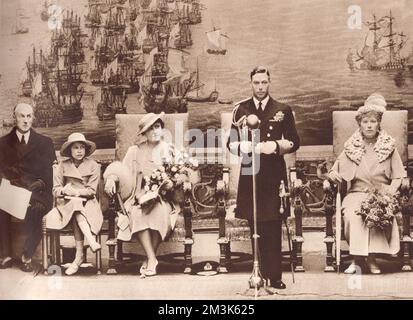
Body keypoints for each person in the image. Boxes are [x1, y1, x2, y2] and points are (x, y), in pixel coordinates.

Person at [227, 66, 300, 289]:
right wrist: (242, 145)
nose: (260, 87)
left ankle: (275, 275)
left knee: (274, 223)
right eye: (256, 83)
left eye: (264, 82)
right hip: (251, 172)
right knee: (255, 223)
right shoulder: (240, 109)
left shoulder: (282, 109)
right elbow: (230, 143)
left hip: (273, 174)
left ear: (269, 83)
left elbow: (295, 141)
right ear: (251, 83)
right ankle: (257, 272)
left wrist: (276, 145)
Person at [328, 93, 405, 274]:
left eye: (373, 121)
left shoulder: (389, 147)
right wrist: (332, 175)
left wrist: (389, 194)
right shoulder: (351, 147)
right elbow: (334, 170)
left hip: (382, 192)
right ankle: (357, 260)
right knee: (354, 214)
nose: (369, 125)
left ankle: (371, 260)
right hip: (356, 193)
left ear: (378, 124)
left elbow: (399, 175)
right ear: (360, 125)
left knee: (377, 210)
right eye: (365, 122)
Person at [103, 112, 178, 277]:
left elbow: (181, 174)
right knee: (137, 213)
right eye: (150, 129)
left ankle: (150, 259)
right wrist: (111, 177)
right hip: (138, 197)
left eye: (157, 127)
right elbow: (121, 171)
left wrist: (172, 183)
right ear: (144, 133)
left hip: (163, 198)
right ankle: (152, 258)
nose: (154, 131)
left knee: (159, 213)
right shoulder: (134, 151)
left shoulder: (169, 150)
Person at [0, 103, 56, 272]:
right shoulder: (2, 143)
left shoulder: (45, 143)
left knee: (39, 209)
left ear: (33, 118)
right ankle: (6, 255)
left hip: (37, 191)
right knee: (0, 206)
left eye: (29, 116)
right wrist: (6, 184)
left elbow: (50, 172)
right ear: (14, 118)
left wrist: (40, 183)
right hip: (12, 189)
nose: (25, 120)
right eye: (21, 116)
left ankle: (27, 254)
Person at [46, 133, 103, 275]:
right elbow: (55, 189)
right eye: (75, 148)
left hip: (88, 203)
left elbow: (91, 191)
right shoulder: (62, 165)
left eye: (82, 147)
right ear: (69, 151)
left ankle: (78, 258)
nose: (79, 151)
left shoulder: (93, 165)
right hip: (65, 204)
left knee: (78, 206)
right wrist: (64, 190)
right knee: (75, 205)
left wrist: (76, 193)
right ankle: (89, 242)